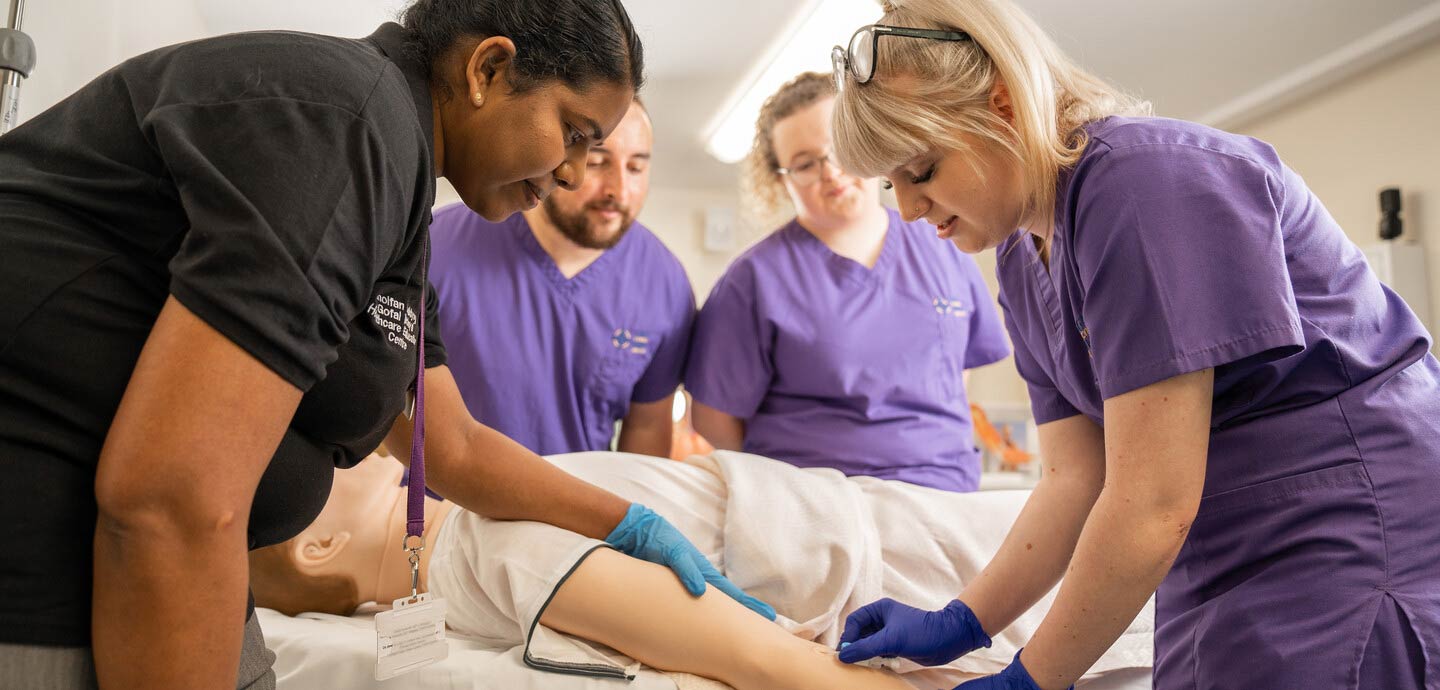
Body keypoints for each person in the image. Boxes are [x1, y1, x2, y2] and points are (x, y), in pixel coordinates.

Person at [0, 1, 766, 688]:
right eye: (572, 134)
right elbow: (171, 498)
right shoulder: (347, 125)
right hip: (51, 563)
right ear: (487, 70)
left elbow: (453, 445)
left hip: (167, 569)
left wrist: (628, 522)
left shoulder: (396, 208)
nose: (570, 174)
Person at [826, 0, 1440, 688]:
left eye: (922, 171)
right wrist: (963, 622)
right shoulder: (1023, 262)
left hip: (1346, 533)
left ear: (1001, 105)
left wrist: (1032, 677)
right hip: (1217, 552)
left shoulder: (1142, 185)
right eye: (890, 183)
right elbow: (1075, 479)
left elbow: (1151, 503)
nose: (906, 210)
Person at [250, 452, 1155, 690]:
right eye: (316, 471)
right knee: (1162, 553)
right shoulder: (489, 548)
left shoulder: (473, 526)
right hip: (882, 548)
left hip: (861, 517)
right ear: (315, 547)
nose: (340, 449)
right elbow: (763, 663)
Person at [684, 72, 1011, 492]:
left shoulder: (944, 240)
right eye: (804, 164)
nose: (830, 173)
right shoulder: (753, 280)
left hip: (943, 495)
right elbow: (713, 417)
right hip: (817, 502)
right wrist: (786, 483)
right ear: (781, 180)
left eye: (838, 150)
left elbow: (956, 373)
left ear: (868, 143)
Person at [429, 99, 693, 457]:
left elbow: (647, 428)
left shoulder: (664, 284)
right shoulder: (439, 246)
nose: (619, 190)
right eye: (598, 162)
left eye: (635, 168)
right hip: (441, 507)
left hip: (576, 506)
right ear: (552, 158)